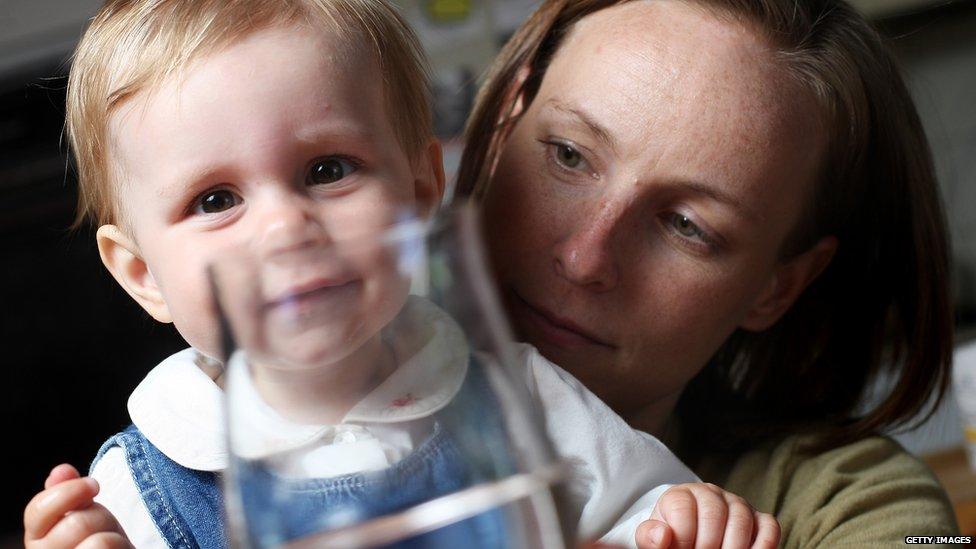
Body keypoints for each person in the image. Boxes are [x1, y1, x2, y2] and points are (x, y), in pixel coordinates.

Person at [21, 1, 780, 548]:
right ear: (142, 272)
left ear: (419, 191)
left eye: (327, 169)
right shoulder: (134, 495)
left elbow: (654, 514)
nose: (286, 226)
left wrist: (689, 522)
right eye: (215, 199)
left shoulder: (529, 401)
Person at [455, 0, 959, 545]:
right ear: (509, 118)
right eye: (569, 156)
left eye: (687, 226)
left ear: (778, 287)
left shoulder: (848, 504)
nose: (584, 260)